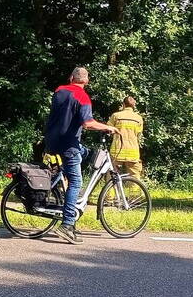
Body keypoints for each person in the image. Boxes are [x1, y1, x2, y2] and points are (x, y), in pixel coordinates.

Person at [43, 67, 118, 245]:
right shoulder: (82, 96)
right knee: (76, 181)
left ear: (71, 78)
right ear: (86, 81)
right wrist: (108, 127)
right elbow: (88, 123)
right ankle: (68, 225)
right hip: (68, 144)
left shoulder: (59, 91)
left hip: (53, 141)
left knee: (85, 153)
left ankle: (63, 184)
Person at [109, 96, 144, 178]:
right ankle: (134, 191)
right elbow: (139, 134)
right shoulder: (138, 118)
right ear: (133, 106)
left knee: (112, 176)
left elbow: (109, 130)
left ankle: (110, 191)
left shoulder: (116, 116)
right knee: (134, 176)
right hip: (133, 152)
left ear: (123, 104)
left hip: (117, 151)